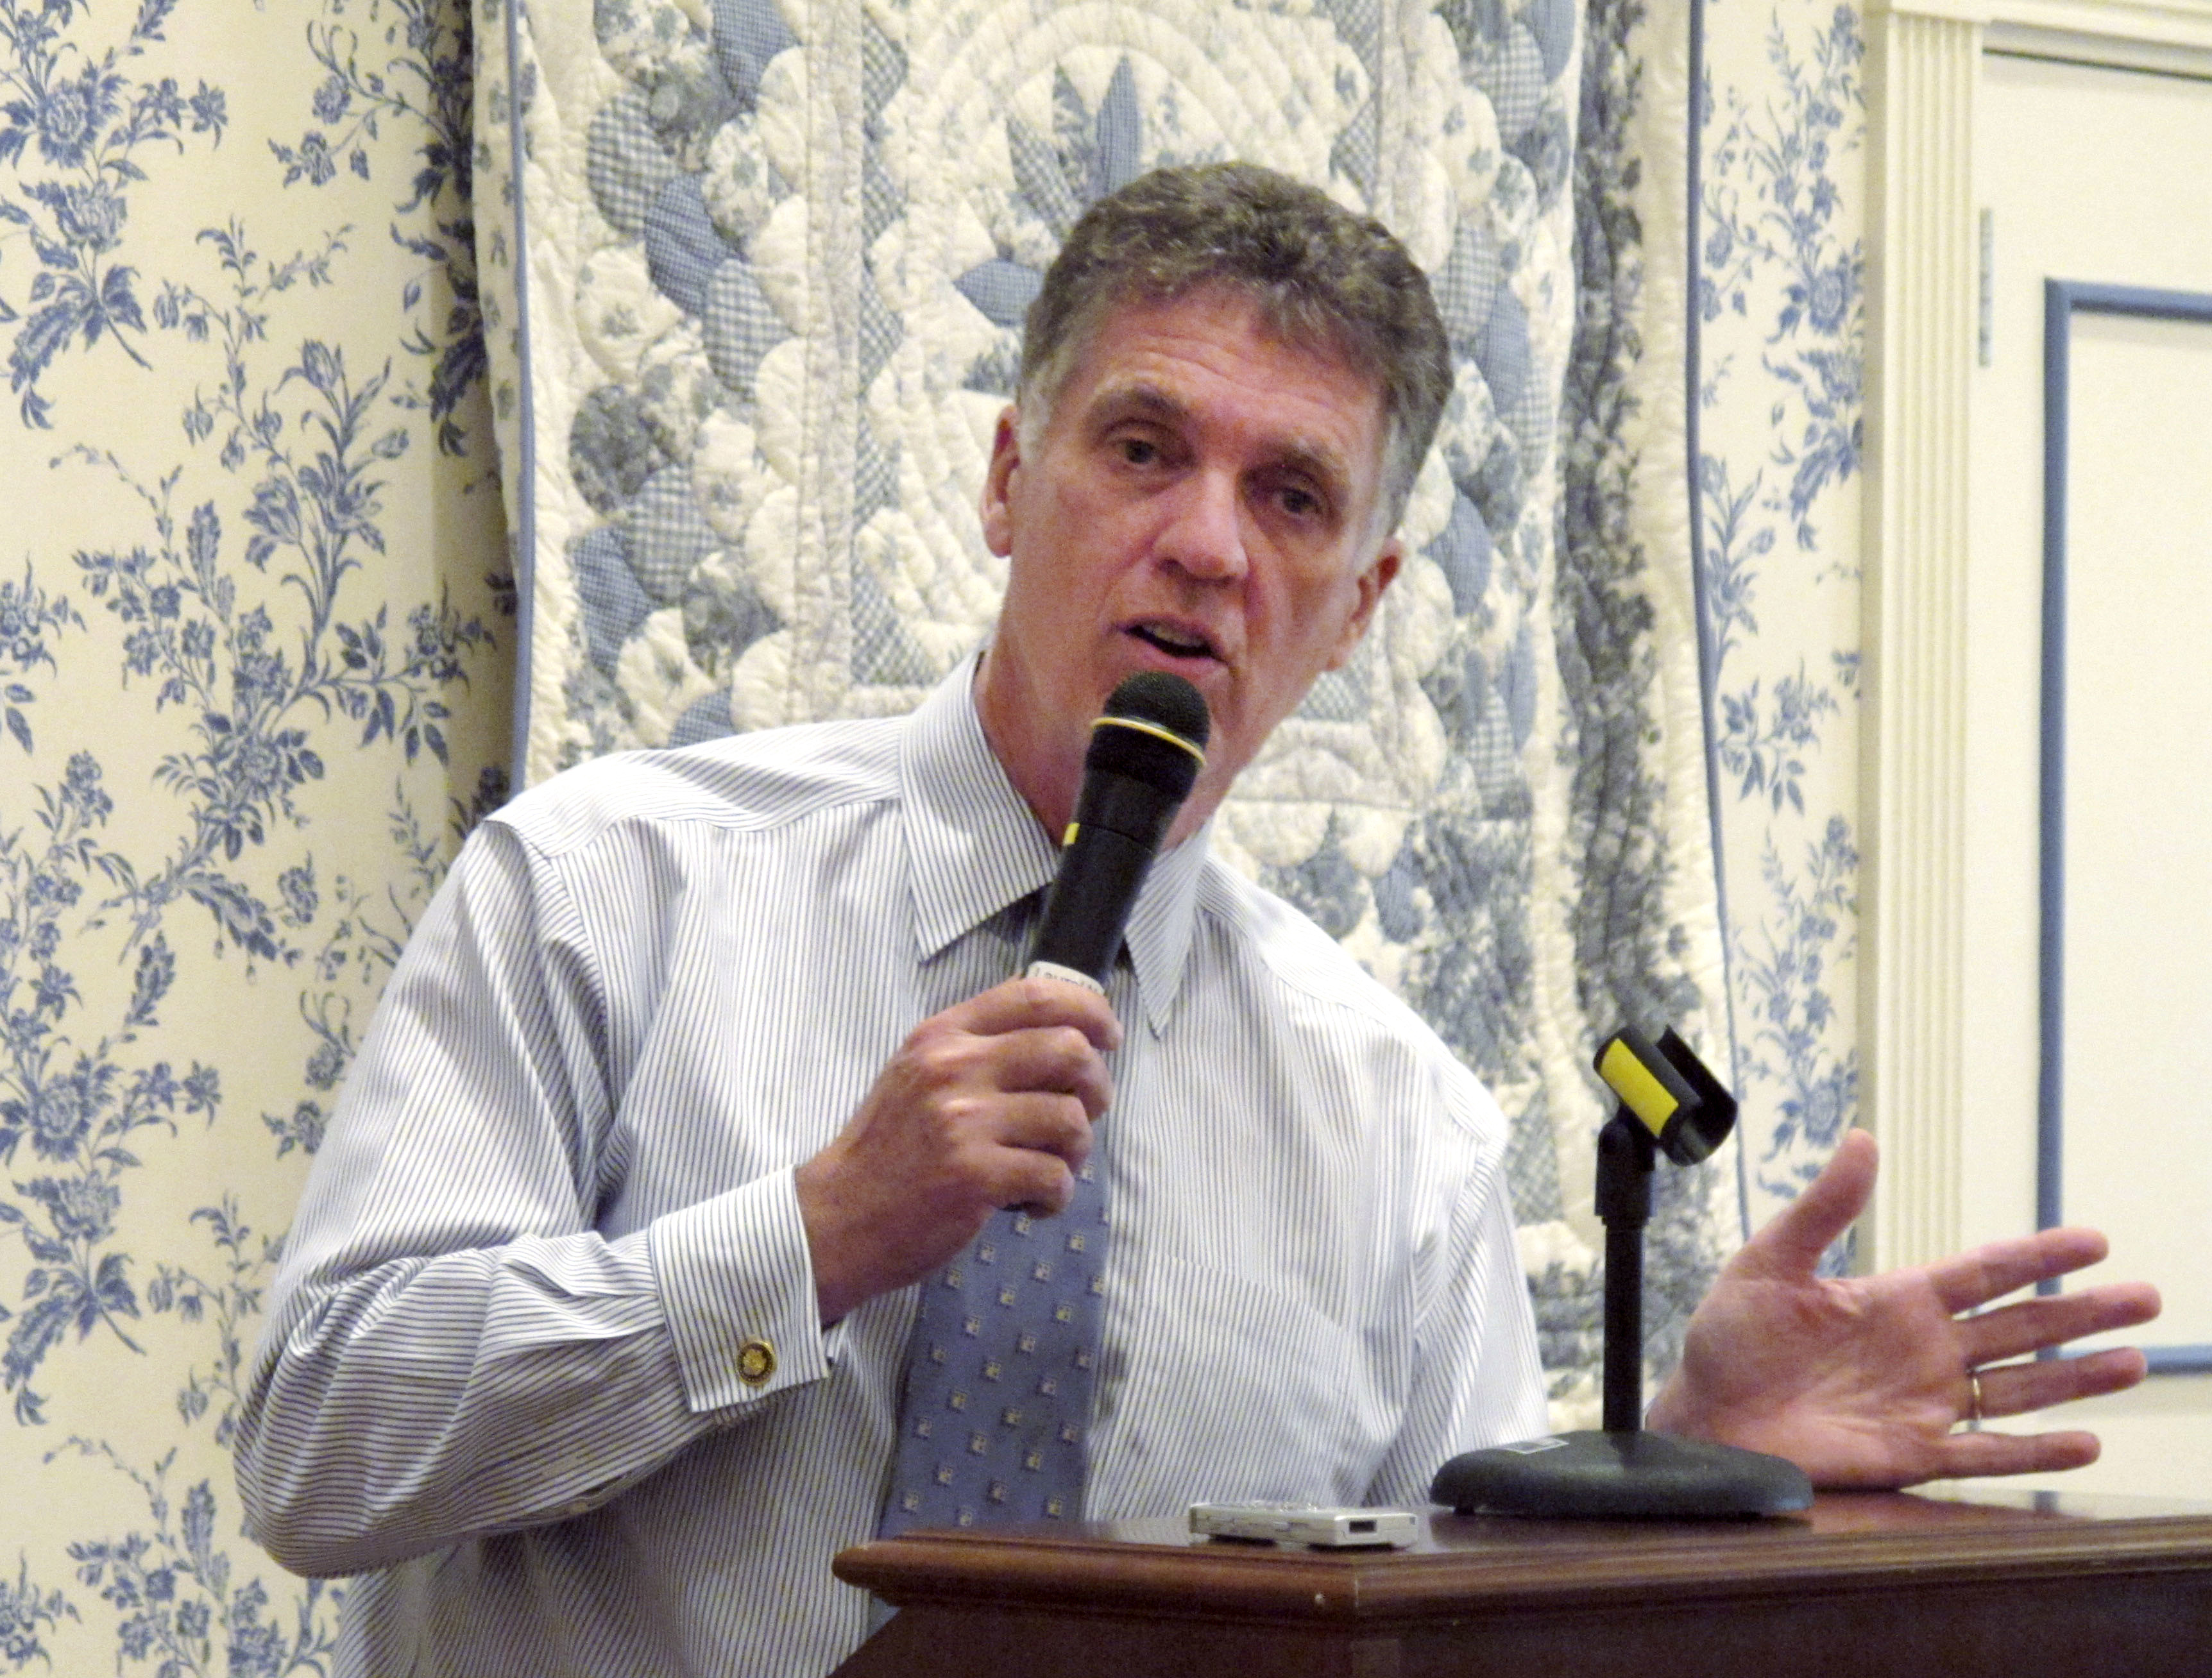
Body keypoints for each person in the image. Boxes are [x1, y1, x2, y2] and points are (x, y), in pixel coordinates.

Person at [234, 163, 2158, 1677]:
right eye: (1143, 449)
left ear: (1362, 600)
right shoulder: (605, 889)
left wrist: (1671, 1477)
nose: (1210, 546)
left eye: (1295, 496)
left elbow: (1440, 1635)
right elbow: (318, 1449)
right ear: (1010, 477)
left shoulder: (1396, 1126)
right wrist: (809, 1242)